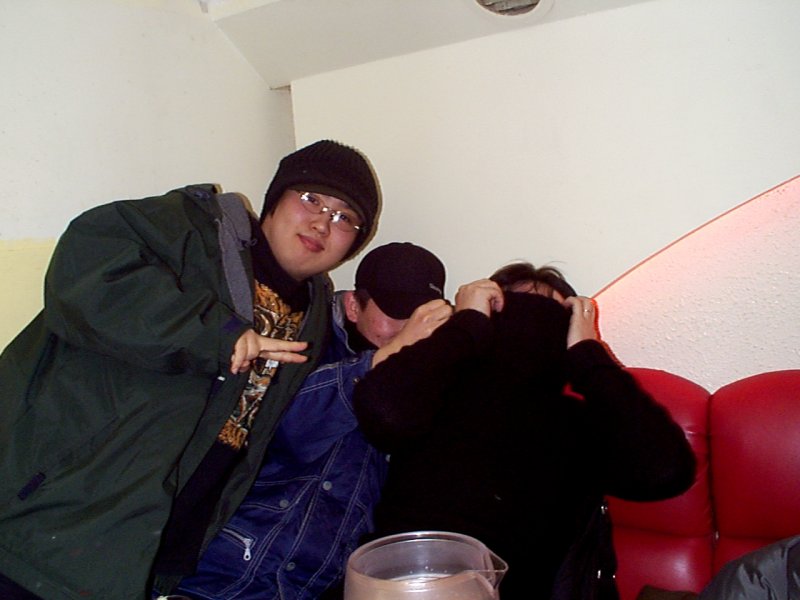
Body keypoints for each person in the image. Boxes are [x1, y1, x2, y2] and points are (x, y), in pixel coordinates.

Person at [0, 139, 381, 600]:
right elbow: (86, 270)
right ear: (274, 200)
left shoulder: (315, 316)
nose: (322, 222)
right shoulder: (193, 229)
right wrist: (219, 335)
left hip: (140, 551)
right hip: (42, 513)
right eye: (311, 198)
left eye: (345, 218)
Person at [352, 262, 697, 599]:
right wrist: (466, 325)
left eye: (548, 315)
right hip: (396, 582)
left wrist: (588, 354)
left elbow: (667, 471)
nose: (529, 325)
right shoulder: (436, 388)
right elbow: (381, 411)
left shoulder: (580, 422)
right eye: (513, 307)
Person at [171, 242, 451, 600]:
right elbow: (287, 430)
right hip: (224, 573)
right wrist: (387, 357)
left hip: (312, 586)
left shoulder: (422, 381)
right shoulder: (304, 337)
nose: (409, 329)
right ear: (353, 305)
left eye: (420, 318)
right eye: (397, 314)